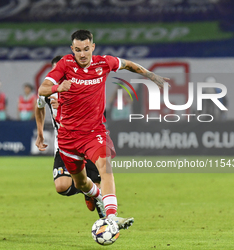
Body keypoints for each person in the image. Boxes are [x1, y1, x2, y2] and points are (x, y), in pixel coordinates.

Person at [38, 29, 169, 230]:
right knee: (81, 184)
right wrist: (58, 88)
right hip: (68, 138)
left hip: (94, 133)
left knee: (105, 167)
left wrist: (150, 75)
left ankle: (111, 216)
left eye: (86, 49)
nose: (83, 54)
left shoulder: (104, 63)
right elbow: (43, 89)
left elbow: (128, 65)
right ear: (72, 49)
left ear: (93, 47)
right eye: (78, 50)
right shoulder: (65, 64)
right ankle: (96, 197)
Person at [35, 55, 104, 218]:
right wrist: (40, 133)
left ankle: (107, 224)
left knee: (97, 188)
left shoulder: (82, 87)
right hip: (64, 145)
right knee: (61, 186)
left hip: (87, 141)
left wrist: (66, 104)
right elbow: (39, 108)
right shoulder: (47, 92)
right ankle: (87, 191)